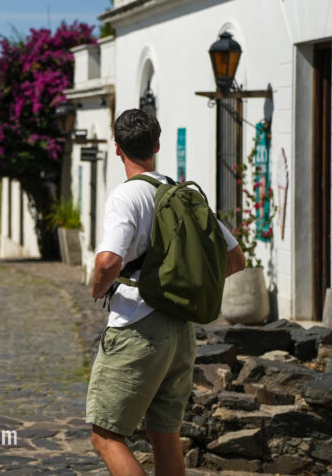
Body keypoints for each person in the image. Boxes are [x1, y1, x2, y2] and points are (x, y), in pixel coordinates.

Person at [87, 109, 245, 476]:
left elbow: (109, 261)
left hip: (136, 327)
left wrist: (97, 290)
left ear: (117, 149)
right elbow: (235, 260)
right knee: (165, 434)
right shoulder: (185, 196)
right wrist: (184, 284)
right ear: (157, 146)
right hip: (179, 330)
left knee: (105, 437)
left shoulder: (126, 197)